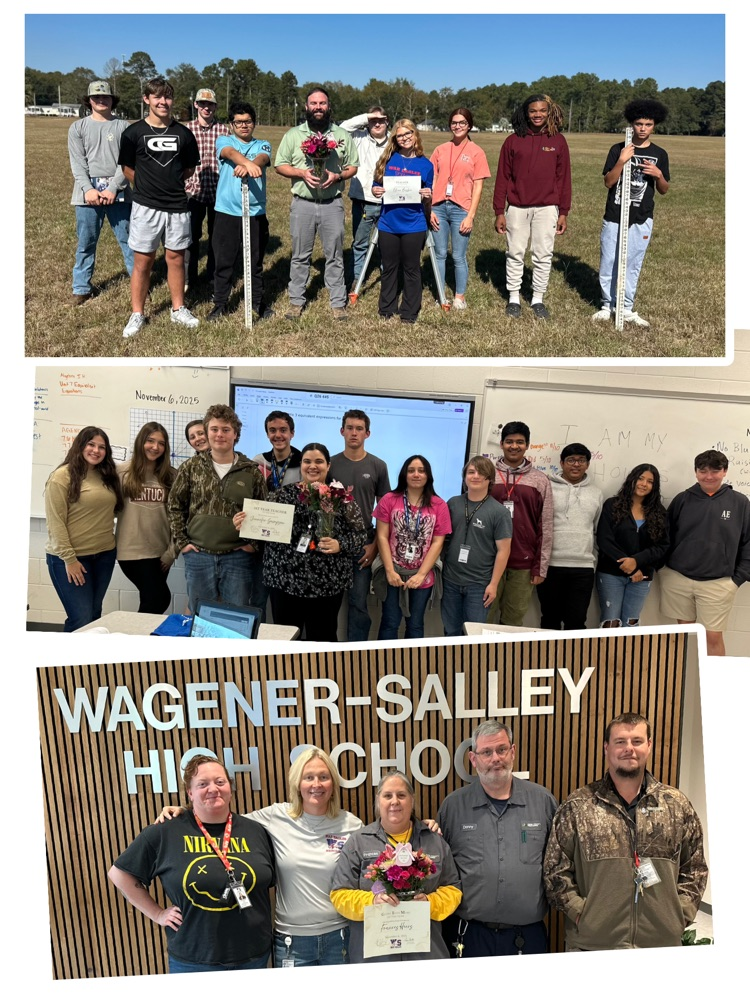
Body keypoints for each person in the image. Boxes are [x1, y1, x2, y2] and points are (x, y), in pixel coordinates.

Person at [157, 747, 363, 967]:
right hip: (292, 940)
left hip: (339, 935)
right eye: (308, 777)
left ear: (333, 783)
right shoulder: (276, 816)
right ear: (297, 783)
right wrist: (185, 811)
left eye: (324, 777)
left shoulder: (351, 824)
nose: (316, 784)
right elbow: (220, 819)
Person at [543, 713, 708, 950]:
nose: (628, 749)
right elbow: (555, 869)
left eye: (637, 741)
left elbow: (695, 867)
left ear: (649, 746)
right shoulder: (579, 805)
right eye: (620, 741)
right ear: (607, 748)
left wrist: (678, 915)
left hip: (660, 945)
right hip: (593, 945)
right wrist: (582, 914)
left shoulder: (676, 805)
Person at [108, 754, 275, 973]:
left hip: (254, 956)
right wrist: (157, 914)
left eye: (220, 782)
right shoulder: (166, 831)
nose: (213, 789)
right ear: (190, 792)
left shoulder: (256, 830)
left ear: (230, 788)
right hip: (194, 960)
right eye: (202, 784)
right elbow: (119, 875)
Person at [437, 721, 557, 957]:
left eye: (501, 750)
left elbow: (559, 864)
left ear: (512, 751)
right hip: (469, 936)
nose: (495, 758)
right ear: (473, 759)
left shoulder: (542, 801)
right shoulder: (453, 807)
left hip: (527, 937)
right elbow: (441, 870)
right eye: (486, 752)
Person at [236, 443, 367, 641]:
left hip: (327, 586)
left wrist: (340, 544)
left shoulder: (342, 498)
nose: (312, 466)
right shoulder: (281, 495)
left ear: (328, 466)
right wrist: (244, 525)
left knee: (322, 640)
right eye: (307, 461)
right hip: (285, 583)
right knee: (286, 642)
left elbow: (359, 536)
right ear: (301, 465)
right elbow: (258, 532)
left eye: (319, 461)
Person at [330, 770, 462, 963]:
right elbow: (339, 894)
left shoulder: (434, 841)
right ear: (378, 801)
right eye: (387, 795)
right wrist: (373, 901)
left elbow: (454, 890)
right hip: (375, 958)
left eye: (401, 795)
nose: (395, 802)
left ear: (412, 800)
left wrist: (429, 903)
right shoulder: (358, 843)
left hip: (425, 955)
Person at [118, 77, 201, 338]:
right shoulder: (133, 133)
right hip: (145, 206)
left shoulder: (184, 134)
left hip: (177, 205)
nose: (163, 102)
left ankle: (178, 309)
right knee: (143, 261)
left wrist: (169, 185)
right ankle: (137, 313)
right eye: (157, 97)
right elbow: (127, 168)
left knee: (176, 259)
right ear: (147, 100)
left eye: (167, 97)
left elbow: (189, 169)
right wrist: (145, 187)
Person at [167, 404, 267, 612]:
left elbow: (262, 511)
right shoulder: (190, 467)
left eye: (225, 429)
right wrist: (182, 543)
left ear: (235, 434)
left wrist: (253, 545)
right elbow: (175, 506)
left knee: (235, 617)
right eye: (214, 429)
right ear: (207, 431)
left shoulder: (251, 472)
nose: (219, 434)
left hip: (237, 558)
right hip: (198, 556)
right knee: (200, 616)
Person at [275, 87, 358, 320]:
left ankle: (338, 303)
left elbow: (353, 166)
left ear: (329, 106)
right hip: (303, 203)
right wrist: (301, 173)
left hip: (332, 203)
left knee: (335, 255)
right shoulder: (294, 135)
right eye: (314, 103)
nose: (318, 108)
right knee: (301, 254)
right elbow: (280, 165)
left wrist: (338, 175)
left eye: (322, 103)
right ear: (306, 107)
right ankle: (296, 301)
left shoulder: (341, 135)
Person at [660, 449, 750, 656]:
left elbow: (748, 541)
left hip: (718, 583)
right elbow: (665, 535)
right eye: (703, 471)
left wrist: (737, 578)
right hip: (678, 579)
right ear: (696, 472)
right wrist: (663, 569)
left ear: (725, 471)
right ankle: (686, 685)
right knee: (685, 638)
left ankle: (715, 687)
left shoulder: (740, 503)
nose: (708, 476)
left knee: (713, 638)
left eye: (715, 471)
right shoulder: (683, 499)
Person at [592, 99, 670, 329]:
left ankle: (626, 307)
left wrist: (658, 175)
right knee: (609, 260)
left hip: (642, 217)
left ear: (654, 125)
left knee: (632, 263)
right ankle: (607, 305)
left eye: (648, 124)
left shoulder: (660, 153)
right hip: (615, 214)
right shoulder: (618, 149)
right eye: (638, 123)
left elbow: (664, 190)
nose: (643, 128)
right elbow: (608, 182)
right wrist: (621, 161)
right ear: (632, 124)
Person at [493, 94, 571, 320]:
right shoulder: (513, 140)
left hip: (547, 208)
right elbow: (502, 178)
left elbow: (563, 179)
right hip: (517, 207)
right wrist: (500, 211)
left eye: (542, 111)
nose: (538, 115)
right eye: (533, 111)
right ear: (525, 113)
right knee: (515, 252)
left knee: (543, 254)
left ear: (549, 112)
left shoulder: (558, 141)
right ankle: (514, 298)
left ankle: (537, 298)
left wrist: (563, 212)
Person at [45, 426, 123, 631]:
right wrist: (70, 559)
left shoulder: (107, 475)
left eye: (102, 447)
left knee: (95, 615)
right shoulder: (61, 477)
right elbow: (55, 523)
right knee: (81, 618)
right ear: (80, 445)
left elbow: (109, 511)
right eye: (91, 444)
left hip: (104, 556)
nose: (96, 450)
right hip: (72, 559)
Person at [68, 80, 133, 305]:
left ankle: (139, 284)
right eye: (96, 97)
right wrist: (89, 189)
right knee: (86, 242)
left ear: (112, 100)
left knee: (129, 240)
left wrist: (114, 187)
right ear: (89, 101)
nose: (101, 100)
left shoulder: (123, 126)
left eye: (105, 97)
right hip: (88, 195)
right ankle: (81, 288)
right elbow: (78, 163)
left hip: (120, 192)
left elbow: (127, 161)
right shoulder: (78, 128)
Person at [209, 101, 274, 322]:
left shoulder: (263, 144)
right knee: (224, 260)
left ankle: (256, 303)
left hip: (254, 213)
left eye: (248, 121)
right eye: (238, 122)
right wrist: (246, 163)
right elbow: (228, 153)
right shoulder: (224, 140)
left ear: (253, 123)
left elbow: (263, 159)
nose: (243, 126)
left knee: (254, 262)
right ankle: (220, 304)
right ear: (231, 124)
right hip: (227, 212)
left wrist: (252, 164)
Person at [374, 455, 450, 639]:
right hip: (393, 573)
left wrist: (421, 575)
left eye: (421, 470)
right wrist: (390, 571)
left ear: (428, 476)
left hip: (422, 576)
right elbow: (382, 536)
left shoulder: (439, 505)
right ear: (404, 474)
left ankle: (411, 668)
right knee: (389, 622)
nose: (416, 474)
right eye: (411, 470)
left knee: (415, 624)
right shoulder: (389, 500)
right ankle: (384, 667)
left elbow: (438, 542)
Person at [330, 410, 391, 641]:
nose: (353, 433)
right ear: (342, 431)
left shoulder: (378, 466)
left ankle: (355, 656)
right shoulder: (330, 464)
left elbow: (385, 513)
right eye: (349, 428)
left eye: (359, 429)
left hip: (363, 546)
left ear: (367, 433)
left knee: (359, 605)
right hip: (333, 545)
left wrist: (375, 546)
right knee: (329, 602)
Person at [489, 421, 553, 626]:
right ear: (501, 444)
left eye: (519, 442)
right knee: (483, 620)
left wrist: (540, 567)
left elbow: (546, 525)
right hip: (487, 562)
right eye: (509, 441)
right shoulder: (487, 475)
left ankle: (505, 659)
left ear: (527, 445)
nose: (514, 446)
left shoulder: (540, 480)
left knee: (512, 621)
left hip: (523, 564)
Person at [441, 455, 512, 636]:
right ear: (465, 477)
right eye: (471, 472)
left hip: (479, 585)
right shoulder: (453, 504)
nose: (476, 476)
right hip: (450, 580)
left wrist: (494, 584)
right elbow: (442, 540)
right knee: (451, 632)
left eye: (481, 472)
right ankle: (451, 665)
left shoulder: (499, 512)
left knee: (474, 635)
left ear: (489, 479)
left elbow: (504, 551)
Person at [371, 120, 434, 324]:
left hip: (414, 224)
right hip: (388, 222)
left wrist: (427, 194)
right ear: (395, 139)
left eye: (408, 133)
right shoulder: (388, 159)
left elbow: (429, 193)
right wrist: (375, 190)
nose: (405, 138)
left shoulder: (426, 165)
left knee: (411, 268)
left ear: (415, 135)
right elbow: (375, 184)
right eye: (400, 135)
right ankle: (387, 308)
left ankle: (409, 311)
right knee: (389, 267)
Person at [429, 108, 490, 309]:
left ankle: (459, 297)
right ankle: (440, 293)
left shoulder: (477, 152)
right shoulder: (440, 149)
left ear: (469, 125)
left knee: (458, 255)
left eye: (462, 123)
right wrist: (429, 209)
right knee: (439, 253)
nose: (457, 126)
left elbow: (478, 186)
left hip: (460, 209)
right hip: (438, 207)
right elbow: (433, 178)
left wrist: (470, 216)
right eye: (454, 123)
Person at [537, 443, 603, 630]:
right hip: (550, 566)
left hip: (582, 568)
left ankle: (572, 660)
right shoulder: (547, 488)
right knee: (550, 619)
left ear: (587, 464)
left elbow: (597, 529)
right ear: (562, 463)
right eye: (571, 460)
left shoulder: (596, 493)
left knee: (576, 621)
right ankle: (548, 659)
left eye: (581, 460)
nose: (576, 464)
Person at [596, 463, 669, 627]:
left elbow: (662, 546)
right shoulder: (612, 505)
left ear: (654, 486)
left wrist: (636, 562)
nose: (644, 484)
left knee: (631, 623)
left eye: (650, 481)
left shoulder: (660, 513)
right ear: (632, 479)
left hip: (641, 577)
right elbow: (604, 540)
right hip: (611, 573)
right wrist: (629, 565)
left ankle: (626, 654)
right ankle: (607, 653)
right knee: (611, 621)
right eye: (641, 478)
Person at [116, 421, 176, 614]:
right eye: (150, 440)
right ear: (141, 441)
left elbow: (179, 517)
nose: (155, 447)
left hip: (161, 553)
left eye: (161, 443)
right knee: (159, 597)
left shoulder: (172, 476)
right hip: (131, 552)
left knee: (150, 599)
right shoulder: (121, 472)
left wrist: (172, 552)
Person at [184, 87, 230, 292]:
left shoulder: (224, 131)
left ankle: (213, 275)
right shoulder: (186, 130)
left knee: (217, 238)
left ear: (215, 106)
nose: (206, 107)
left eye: (210, 104)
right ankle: (188, 278)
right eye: (202, 104)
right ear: (196, 105)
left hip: (218, 192)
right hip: (192, 192)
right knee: (190, 237)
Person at [339, 106, 390, 285]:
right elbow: (343, 128)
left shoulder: (394, 141)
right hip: (362, 200)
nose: (377, 124)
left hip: (388, 202)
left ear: (387, 122)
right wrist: (367, 116)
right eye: (373, 121)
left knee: (387, 244)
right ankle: (357, 277)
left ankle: (388, 278)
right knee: (360, 243)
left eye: (381, 120)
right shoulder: (358, 137)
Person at [251, 410, 303, 489]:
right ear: (267, 434)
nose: (278, 435)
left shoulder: (302, 462)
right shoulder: (259, 462)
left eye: (283, 430)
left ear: (292, 433)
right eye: (272, 430)